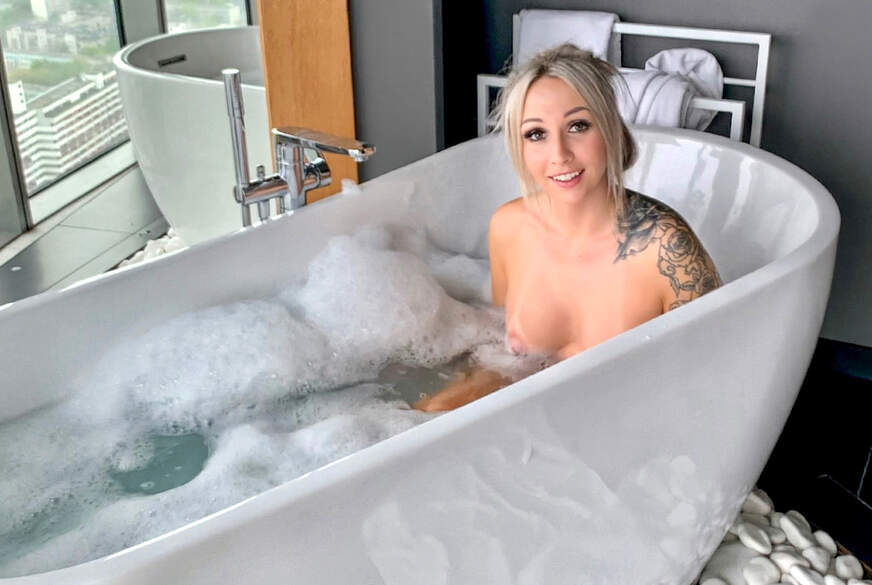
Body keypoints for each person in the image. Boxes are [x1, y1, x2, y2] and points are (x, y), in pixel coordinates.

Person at [414, 44, 720, 412]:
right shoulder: (509, 227)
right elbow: (497, 356)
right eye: (535, 134)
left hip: (626, 420)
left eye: (578, 126)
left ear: (610, 129)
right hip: (526, 418)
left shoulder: (667, 249)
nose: (559, 154)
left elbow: (709, 382)